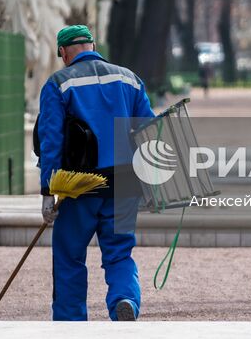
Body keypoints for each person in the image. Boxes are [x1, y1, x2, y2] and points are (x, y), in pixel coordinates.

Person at [35, 24, 156, 321]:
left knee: (69, 257)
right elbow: (150, 132)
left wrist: (48, 192)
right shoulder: (130, 79)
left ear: (63, 52)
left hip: (79, 184)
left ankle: (70, 322)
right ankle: (125, 299)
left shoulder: (58, 83)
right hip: (126, 181)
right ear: (92, 44)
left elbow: (52, 141)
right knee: (119, 253)